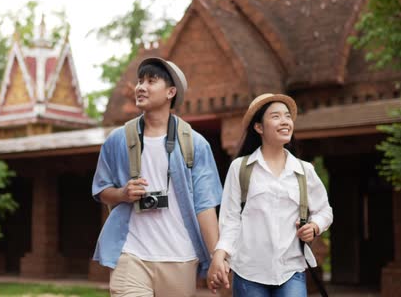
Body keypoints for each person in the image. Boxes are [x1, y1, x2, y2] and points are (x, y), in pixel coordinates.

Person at [91, 57, 222, 297]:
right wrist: (123, 193)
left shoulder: (195, 144)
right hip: (130, 254)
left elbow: (205, 205)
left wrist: (217, 256)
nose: (141, 87)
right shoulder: (117, 140)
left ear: (171, 92)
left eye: (151, 81)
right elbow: (101, 189)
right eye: (140, 81)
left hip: (180, 256)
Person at [207, 93, 333, 296]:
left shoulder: (304, 170)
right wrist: (219, 255)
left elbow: (325, 210)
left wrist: (315, 226)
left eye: (287, 116)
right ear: (259, 127)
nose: (284, 122)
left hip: (291, 270)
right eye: (275, 116)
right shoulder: (240, 168)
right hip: (249, 272)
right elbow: (231, 220)